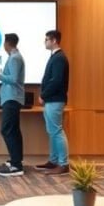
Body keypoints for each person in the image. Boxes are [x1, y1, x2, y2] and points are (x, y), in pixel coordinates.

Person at [38, 30, 70, 175]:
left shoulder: (59, 58)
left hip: (55, 100)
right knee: (52, 131)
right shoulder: (55, 57)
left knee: (56, 131)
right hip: (52, 100)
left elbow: (56, 81)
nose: (45, 42)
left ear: (54, 40)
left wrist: (43, 95)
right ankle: (53, 160)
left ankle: (63, 164)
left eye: (46, 39)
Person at [0, 33, 25, 176]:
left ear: (7, 43)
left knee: (7, 130)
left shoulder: (14, 58)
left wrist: (0, 77)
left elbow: (13, 79)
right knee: (13, 131)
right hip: (11, 98)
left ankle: (16, 166)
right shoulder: (14, 57)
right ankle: (16, 160)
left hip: (11, 98)